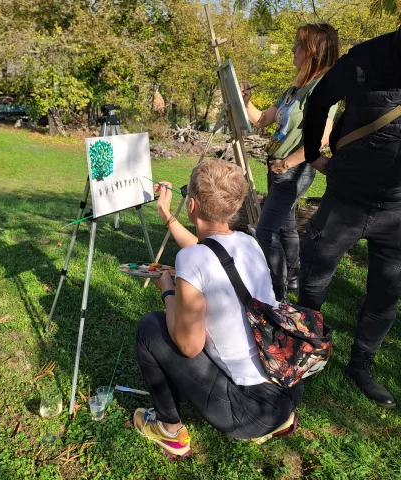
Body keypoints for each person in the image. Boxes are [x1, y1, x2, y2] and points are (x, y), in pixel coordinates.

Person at [133, 159, 304, 458]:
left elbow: (189, 346)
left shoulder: (193, 260)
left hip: (248, 413)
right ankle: (279, 423)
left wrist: (168, 291)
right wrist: (167, 217)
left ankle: (169, 431)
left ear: (193, 205)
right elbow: (208, 250)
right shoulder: (249, 243)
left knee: (151, 327)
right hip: (287, 388)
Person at [299, 27, 401, 409]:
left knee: (386, 292)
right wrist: (312, 153)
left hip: (397, 210)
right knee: (314, 277)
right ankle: (308, 348)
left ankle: (361, 365)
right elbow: (319, 100)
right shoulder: (366, 57)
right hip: (347, 199)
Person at [240, 23, 339, 301]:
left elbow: (323, 136)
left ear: (313, 51)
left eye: (298, 45)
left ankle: (277, 294)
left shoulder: (323, 86)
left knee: (265, 231)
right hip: (278, 167)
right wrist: (245, 101)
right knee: (285, 227)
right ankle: (292, 279)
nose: (293, 49)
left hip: (294, 170)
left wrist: (289, 163)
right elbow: (262, 120)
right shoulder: (295, 87)